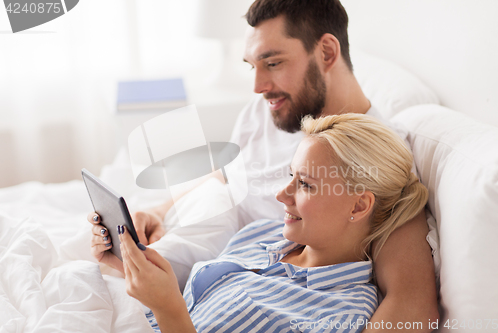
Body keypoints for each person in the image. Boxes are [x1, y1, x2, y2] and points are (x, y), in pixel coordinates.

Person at [89, 0, 439, 330]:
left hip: (246, 295)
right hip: (229, 264)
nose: (258, 87)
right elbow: (229, 175)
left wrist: (169, 306)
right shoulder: (269, 112)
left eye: (273, 64)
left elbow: (411, 300)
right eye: (252, 66)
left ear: (327, 52)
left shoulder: (380, 163)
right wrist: (161, 210)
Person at [111, 113, 429, 332]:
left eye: (305, 184)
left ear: (359, 205)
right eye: (291, 176)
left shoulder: (341, 313)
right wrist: (126, 263)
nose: (281, 194)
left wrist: (169, 308)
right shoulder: (263, 234)